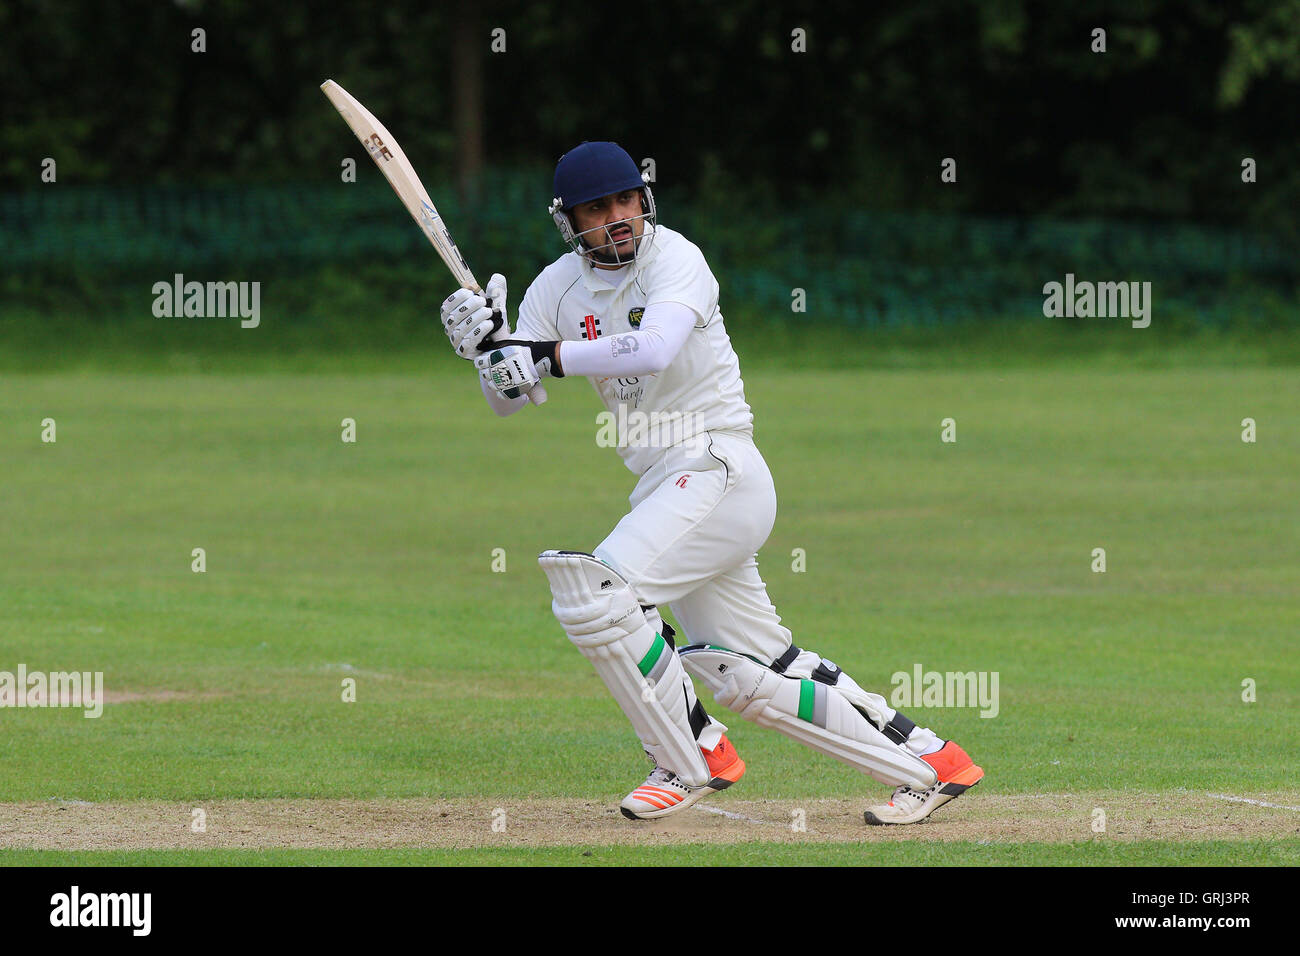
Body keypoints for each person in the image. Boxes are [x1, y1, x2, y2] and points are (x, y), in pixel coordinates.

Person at [439, 142, 983, 825]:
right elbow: (510, 399)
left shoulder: (677, 260)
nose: (617, 218)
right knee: (750, 671)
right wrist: (488, 355)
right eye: (597, 208)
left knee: (598, 594)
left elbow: (654, 346)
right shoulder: (556, 287)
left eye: (626, 201)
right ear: (569, 219)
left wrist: (537, 354)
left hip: (719, 467)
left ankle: (690, 754)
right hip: (665, 486)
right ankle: (928, 761)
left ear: (643, 200)